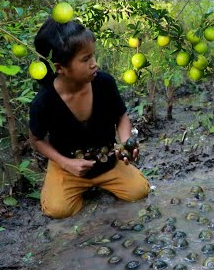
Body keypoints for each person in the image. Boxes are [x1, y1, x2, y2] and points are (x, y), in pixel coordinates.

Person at [29, 17, 150, 219]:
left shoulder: (104, 83)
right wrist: (66, 163)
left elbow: (121, 116)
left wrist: (126, 144)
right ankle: (61, 176)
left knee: (139, 192)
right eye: (86, 60)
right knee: (58, 210)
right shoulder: (44, 102)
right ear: (60, 68)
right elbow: (37, 139)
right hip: (68, 168)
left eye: (93, 56)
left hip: (108, 162)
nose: (94, 64)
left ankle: (106, 179)